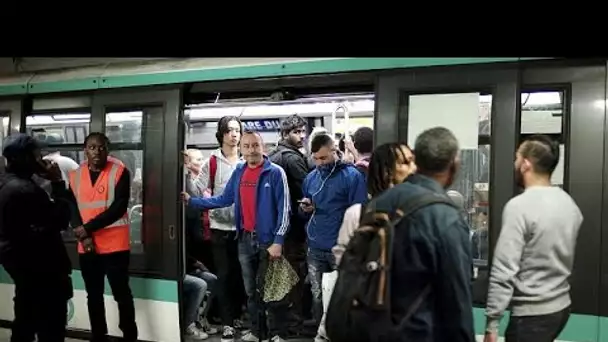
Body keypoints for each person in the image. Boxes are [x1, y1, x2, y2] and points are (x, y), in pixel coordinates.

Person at [182, 130, 291, 342]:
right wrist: (193, 202)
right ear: (241, 149)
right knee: (251, 291)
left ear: (263, 147)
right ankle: (257, 332)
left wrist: (278, 241)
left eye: (255, 145)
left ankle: (276, 334)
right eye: (247, 146)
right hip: (244, 239)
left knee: (271, 290)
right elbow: (224, 198)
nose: (251, 150)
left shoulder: (275, 172)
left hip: (268, 241)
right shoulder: (240, 170)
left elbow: (285, 209)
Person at [373, 127, 475, 341]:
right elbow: (457, 301)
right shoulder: (446, 218)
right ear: (454, 165)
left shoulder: (380, 203)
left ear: (416, 160)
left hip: (374, 328)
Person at [484, 135, 582, 342]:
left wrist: (492, 323)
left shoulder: (519, 207)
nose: (514, 163)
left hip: (531, 316)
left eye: (517, 158)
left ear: (525, 165)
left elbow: (504, 269)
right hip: (561, 308)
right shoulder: (569, 204)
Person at [315, 142, 417, 342]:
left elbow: (343, 262)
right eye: (407, 163)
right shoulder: (419, 215)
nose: (414, 169)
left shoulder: (357, 214)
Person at [0, 134, 74, 342]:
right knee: (50, 329)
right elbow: (60, 219)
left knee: (24, 323)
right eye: (36, 155)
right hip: (43, 272)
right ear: (24, 159)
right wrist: (58, 182)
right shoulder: (25, 190)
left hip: (22, 269)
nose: (42, 159)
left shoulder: (5, 184)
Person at [68, 132, 138, 342]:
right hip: (88, 246)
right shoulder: (75, 175)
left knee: (122, 294)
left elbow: (118, 208)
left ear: (108, 150)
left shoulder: (119, 171)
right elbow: (72, 207)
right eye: (92, 147)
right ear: (85, 150)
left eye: (101, 147)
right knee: (94, 295)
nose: (97, 152)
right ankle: (99, 336)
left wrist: (87, 228)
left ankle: (129, 335)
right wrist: (84, 236)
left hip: (115, 246)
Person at [186, 116, 245, 342]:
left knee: (240, 275)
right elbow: (199, 188)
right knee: (224, 274)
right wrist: (184, 176)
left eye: (237, 130)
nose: (234, 135)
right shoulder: (212, 161)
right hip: (220, 225)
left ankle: (237, 315)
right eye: (229, 130)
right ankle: (228, 322)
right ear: (221, 134)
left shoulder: (244, 160)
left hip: (243, 227)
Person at [299, 133, 368, 329]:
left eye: (324, 158)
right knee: (317, 295)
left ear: (335, 152)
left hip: (341, 248)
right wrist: (304, 208)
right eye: (316, 158)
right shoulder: (311, 178)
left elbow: (359, 212)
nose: (320, 163)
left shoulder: (352, 176)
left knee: (342, 296)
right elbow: (304, 210)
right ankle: (323, 333)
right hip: (315, 246)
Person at [268, 114, 310, 331]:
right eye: (296, 132)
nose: (302, 136)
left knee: (281, 275)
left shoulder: (273, 155)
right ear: (285, 133)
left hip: (276, 226)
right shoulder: (292, 158)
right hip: (294, 226)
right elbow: (309, 188)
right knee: (295, 273)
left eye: (303, 131)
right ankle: (293, 322)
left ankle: (280, 321)